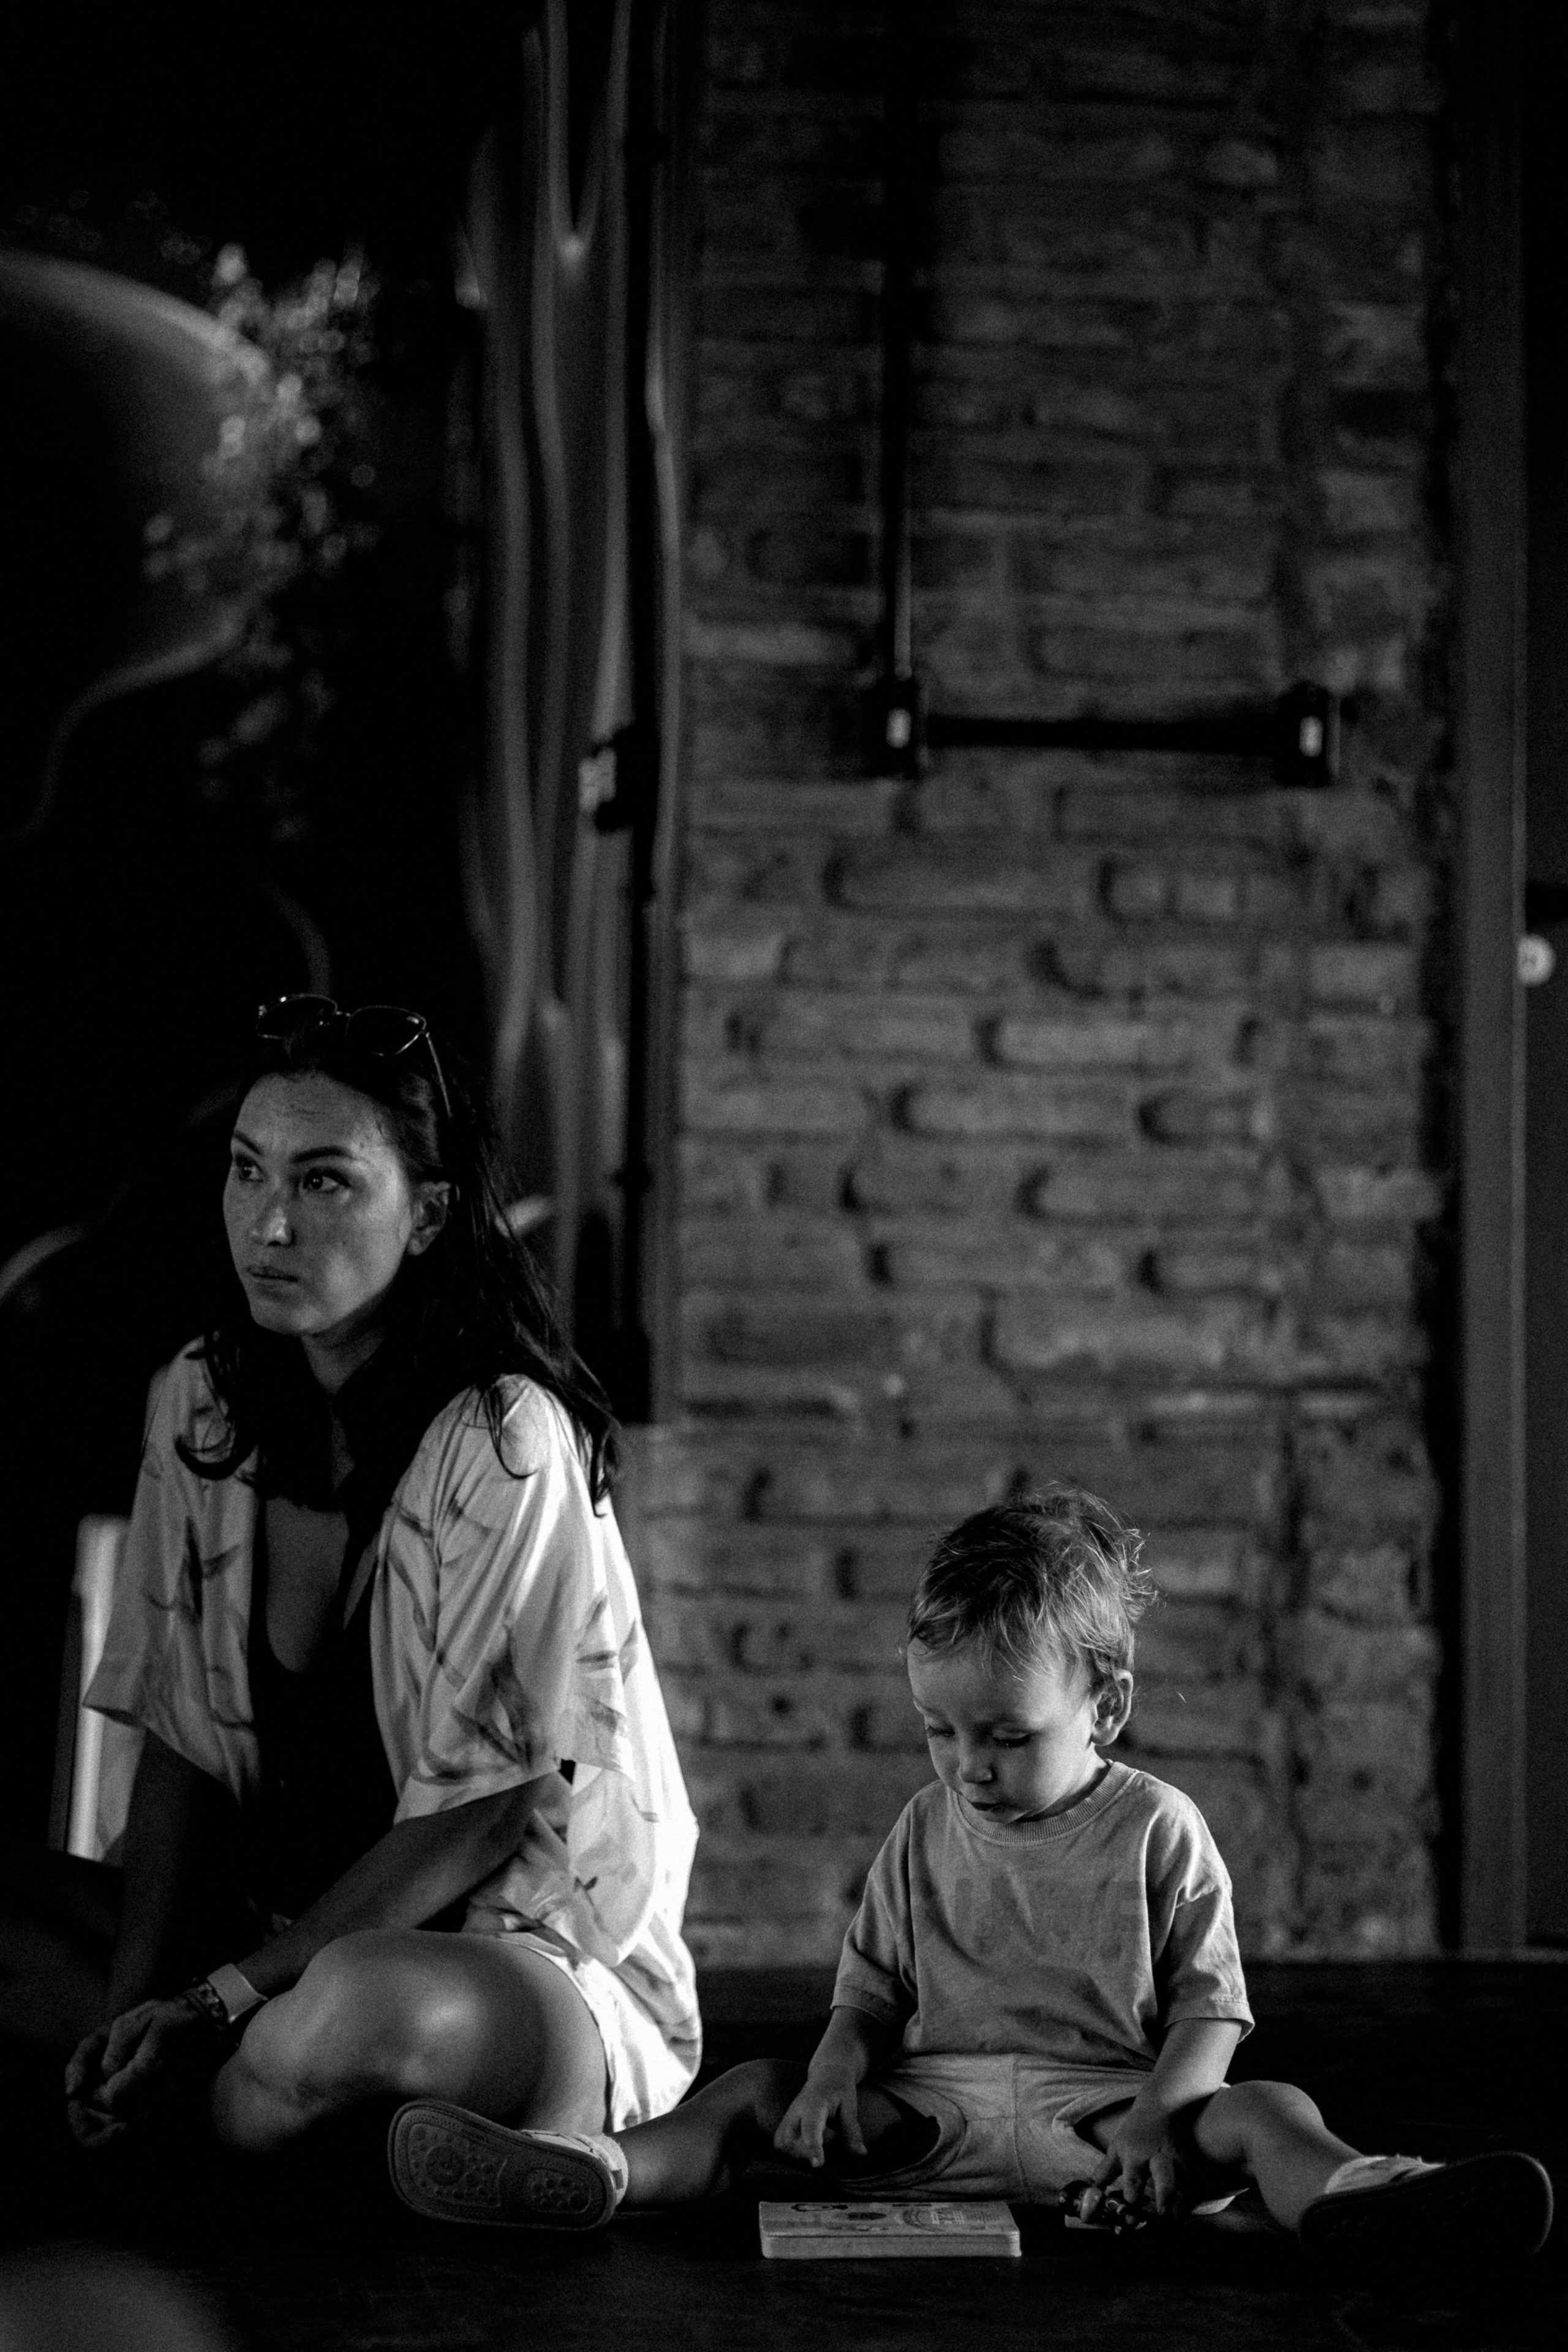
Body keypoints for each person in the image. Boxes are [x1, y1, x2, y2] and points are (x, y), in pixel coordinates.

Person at [387, 1488, 1554, 2270]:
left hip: (1109, 2124)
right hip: (930, 2115)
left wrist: (1159, 2119)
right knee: (753, 2089)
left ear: (1106, 1704)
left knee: (1266, 2113)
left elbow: (1214, 2012)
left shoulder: (1160, 1826)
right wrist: (838, 2070)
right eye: (939, 1734)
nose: (967, 1767)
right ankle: (592, 2169)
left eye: (1003, 1736)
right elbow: (867, 1995)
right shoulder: (922, 1828)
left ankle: (1367, 2202)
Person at [61, 993, 699, 2155]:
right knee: (216, 2031)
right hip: (259, 1944)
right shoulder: (201, 1402)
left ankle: (262, 2110)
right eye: (248, 1173)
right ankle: (243, 2119)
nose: (269, 1224)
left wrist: (210, 2006)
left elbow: (476, 1819)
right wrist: (129, 2015)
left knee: (346, 2018)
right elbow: (181, 1745)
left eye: (324, 1182)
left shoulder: (503, 1442)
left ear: (428, 1215)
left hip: (500, 1958)